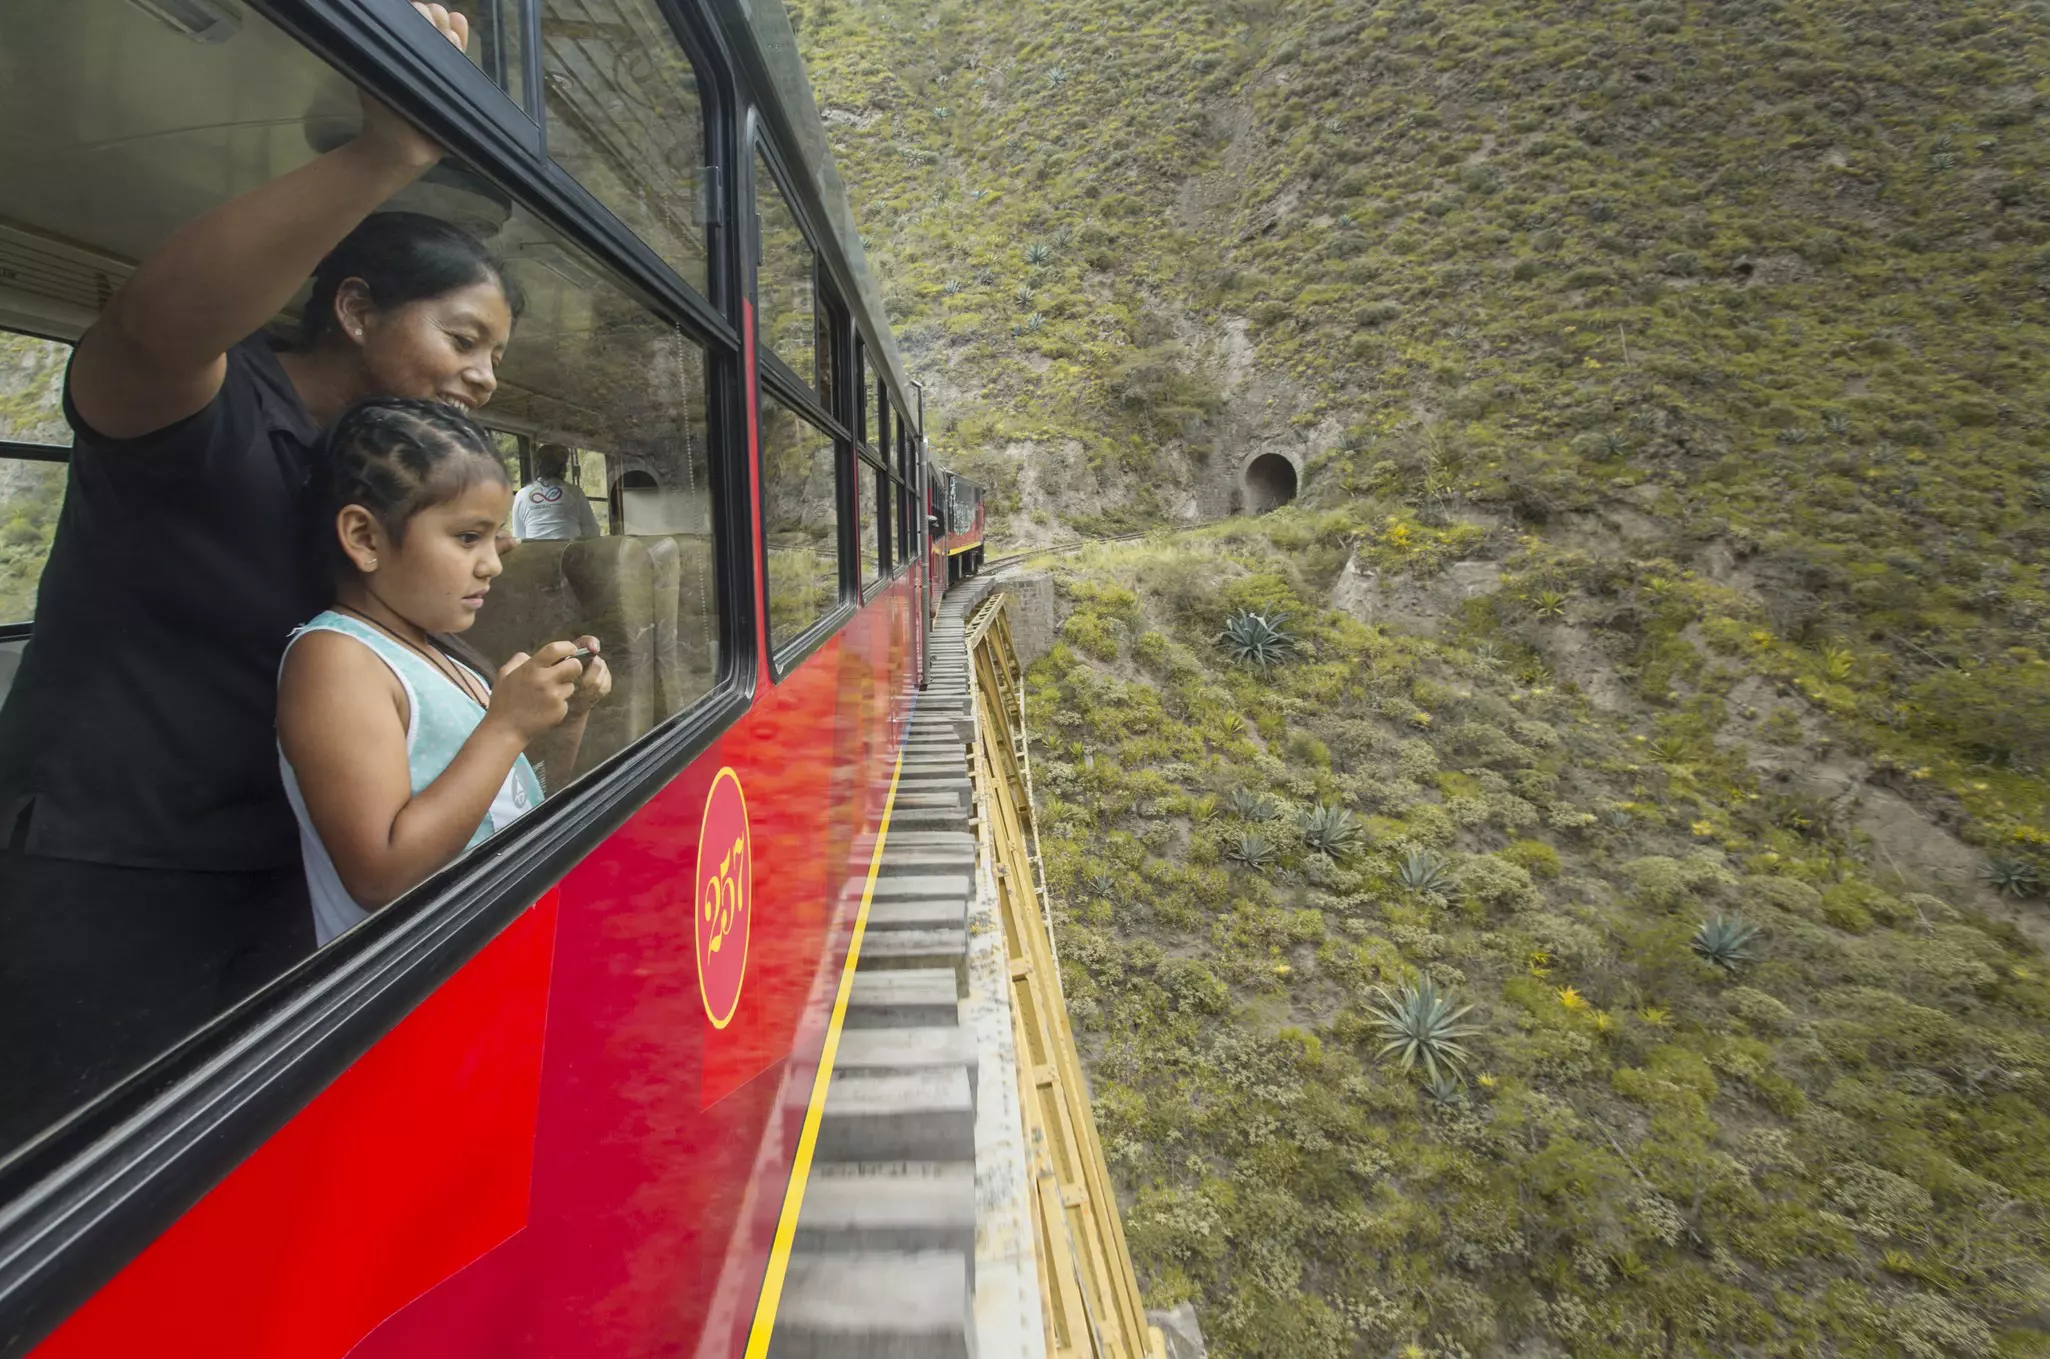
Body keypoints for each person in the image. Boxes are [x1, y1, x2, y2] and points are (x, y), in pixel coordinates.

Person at [0, 4, 507, 1148]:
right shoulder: (207, 413)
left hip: (269, 861)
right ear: (356, 306)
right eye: (463, 338)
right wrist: (387, 150)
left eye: (495, 358)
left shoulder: (370, 479)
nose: (482, 378)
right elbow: (148, 330)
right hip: (109, 866)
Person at [278, 398, 608, 946]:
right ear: (365, 538)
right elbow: (380, 874)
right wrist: (507, 726)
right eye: (466, 537)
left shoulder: (441, 656)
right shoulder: (335, 660)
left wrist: (567, 717)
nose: (493, 564)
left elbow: (516, 805)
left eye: (493, 537)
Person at [512, 442, 601, 541]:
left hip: (535, 554)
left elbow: (518, 535)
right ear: (562, 468)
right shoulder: (575, 492)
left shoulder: (521, 494)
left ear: (538, 466)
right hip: (569, 554)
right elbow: (592, 532)